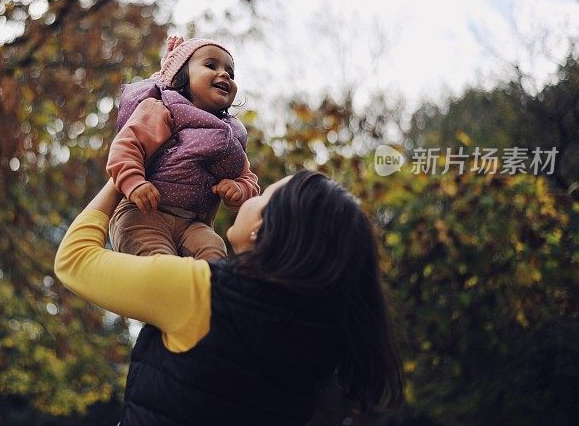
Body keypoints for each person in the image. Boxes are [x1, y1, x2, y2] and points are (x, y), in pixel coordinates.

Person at [54, 170, 404, 425]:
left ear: (263, 227)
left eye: (263, 195)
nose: (253, 197)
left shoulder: (201, 293)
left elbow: (74, 260)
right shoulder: (321, 346)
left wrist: (122, 174)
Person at [106, 35, 259, 261]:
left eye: (231, 72)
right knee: (158, 261)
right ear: (182, 77)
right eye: (210, 65)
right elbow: (128, 145)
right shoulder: (163, 108)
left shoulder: (231, 133)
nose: (224, 74)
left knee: (213, 249)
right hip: (145, 213)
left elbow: (247, 177)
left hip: (193, 224)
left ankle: (208, 293)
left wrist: (238, 189)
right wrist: (134, 182)